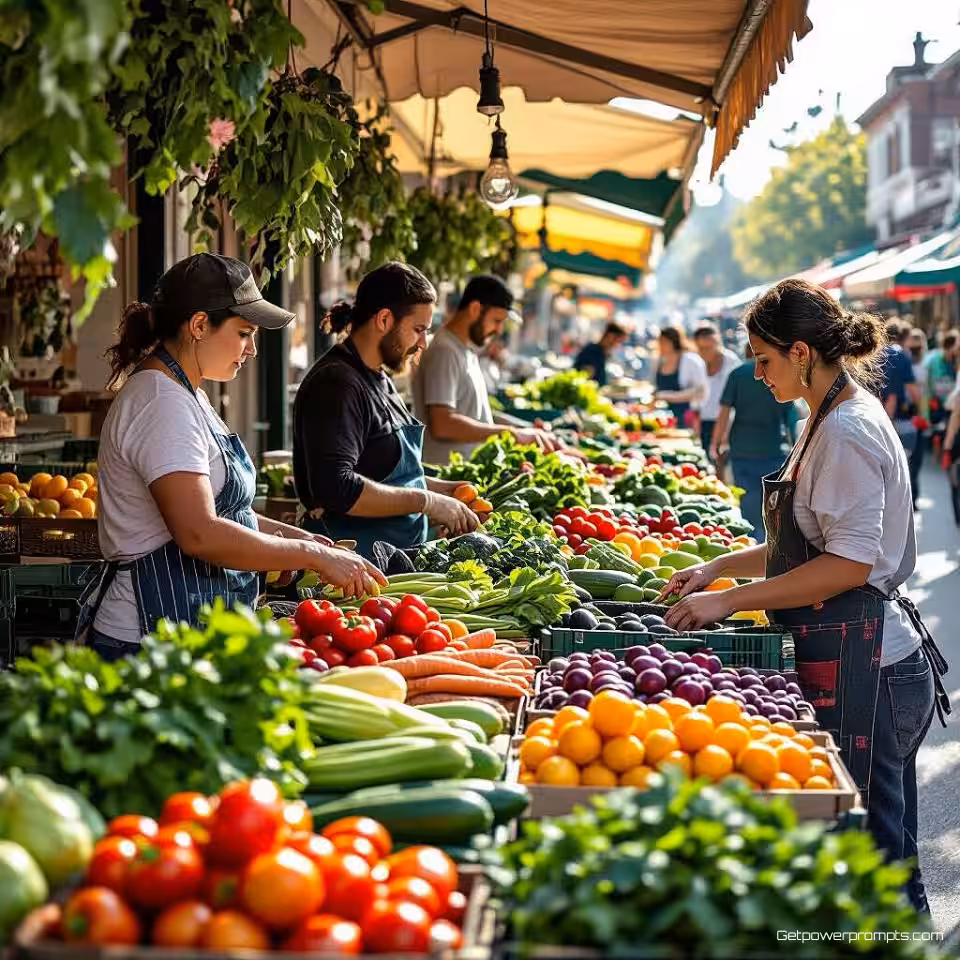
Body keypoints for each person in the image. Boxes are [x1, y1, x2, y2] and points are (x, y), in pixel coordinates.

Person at [660, 279, 949, 913]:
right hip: (854, 655)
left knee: (884, 870)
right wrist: (718, 569)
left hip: (875, 668)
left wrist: (731, 600)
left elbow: (847, 565)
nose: (756, 374)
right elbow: (805, 546)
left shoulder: (844, 430)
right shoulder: (822, 418)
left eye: (762, 360)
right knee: (880, 858)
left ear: (799, 352)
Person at [77, 253, 385, 661]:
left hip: (189, 625)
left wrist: (299, 538)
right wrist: (312, 555)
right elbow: (200, 532)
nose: (253, 349)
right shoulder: (161, 404)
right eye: (244, 333)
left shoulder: (189, 395)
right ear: (200, 325)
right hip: (146, 639)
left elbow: (224, 510)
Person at [292, 262, 481, 559]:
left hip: (394, 562)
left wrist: (444, 493)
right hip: (352, 568)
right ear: (383, 319)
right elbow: (336, 487)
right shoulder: (337, 384)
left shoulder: (380, 378)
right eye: (418, 330)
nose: (422, 343)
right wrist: (426, 501)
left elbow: (383, 474)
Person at [412, 274, 557, 465]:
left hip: (464, 478)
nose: (498, 330)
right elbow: (442, 424)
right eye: (497, 321)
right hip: (444, 478)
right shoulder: (444, 351)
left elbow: (476, 416)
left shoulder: (466, 351)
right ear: (475, 309)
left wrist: (525, 429)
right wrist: (511, 434)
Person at [709, 344, 799, 541]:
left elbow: (724, 412)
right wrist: (797, 451)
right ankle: (768, 544)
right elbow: (791, 418)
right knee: (772, 502)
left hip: (742, 449)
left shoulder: (737, 374)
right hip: (774, 449)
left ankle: (752, 540)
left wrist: (715, 443)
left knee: (748, 498)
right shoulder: (781, 375)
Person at [877, 320, 921, 508]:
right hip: (895, 416)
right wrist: (920, 410)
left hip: (874, 414)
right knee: (903, 459)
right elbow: (903, 391)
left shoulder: (877, 354)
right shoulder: (901, 355)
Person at [693, 323, 740, 458]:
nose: (705, 352)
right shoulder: (698, 362)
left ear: (717, 342)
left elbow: (735, 395)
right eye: (701, 348)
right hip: (704, 419)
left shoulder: (731, 361)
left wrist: (725, 429)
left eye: (709, 347)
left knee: (722, 461)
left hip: (726, 421)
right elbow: (697, 391)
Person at [654, 326, 708, 429]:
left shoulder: (691, 361)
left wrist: (667, 396)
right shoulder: (660, 360)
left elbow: (701, 391)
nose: (660, 345)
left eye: (664, 342)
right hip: (661, 417)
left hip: (686, 416)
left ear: (674, 342)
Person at [573, 322, 628, 388]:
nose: (618, 345)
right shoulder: (592, 351)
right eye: (619, 342)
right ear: (611, 336)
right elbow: (586, 377)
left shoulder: (605, 353)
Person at [924, 328, 958, 430]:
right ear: (948, 347)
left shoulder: (954, 362)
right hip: (936, 407)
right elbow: (939, 388)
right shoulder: (935, 360)